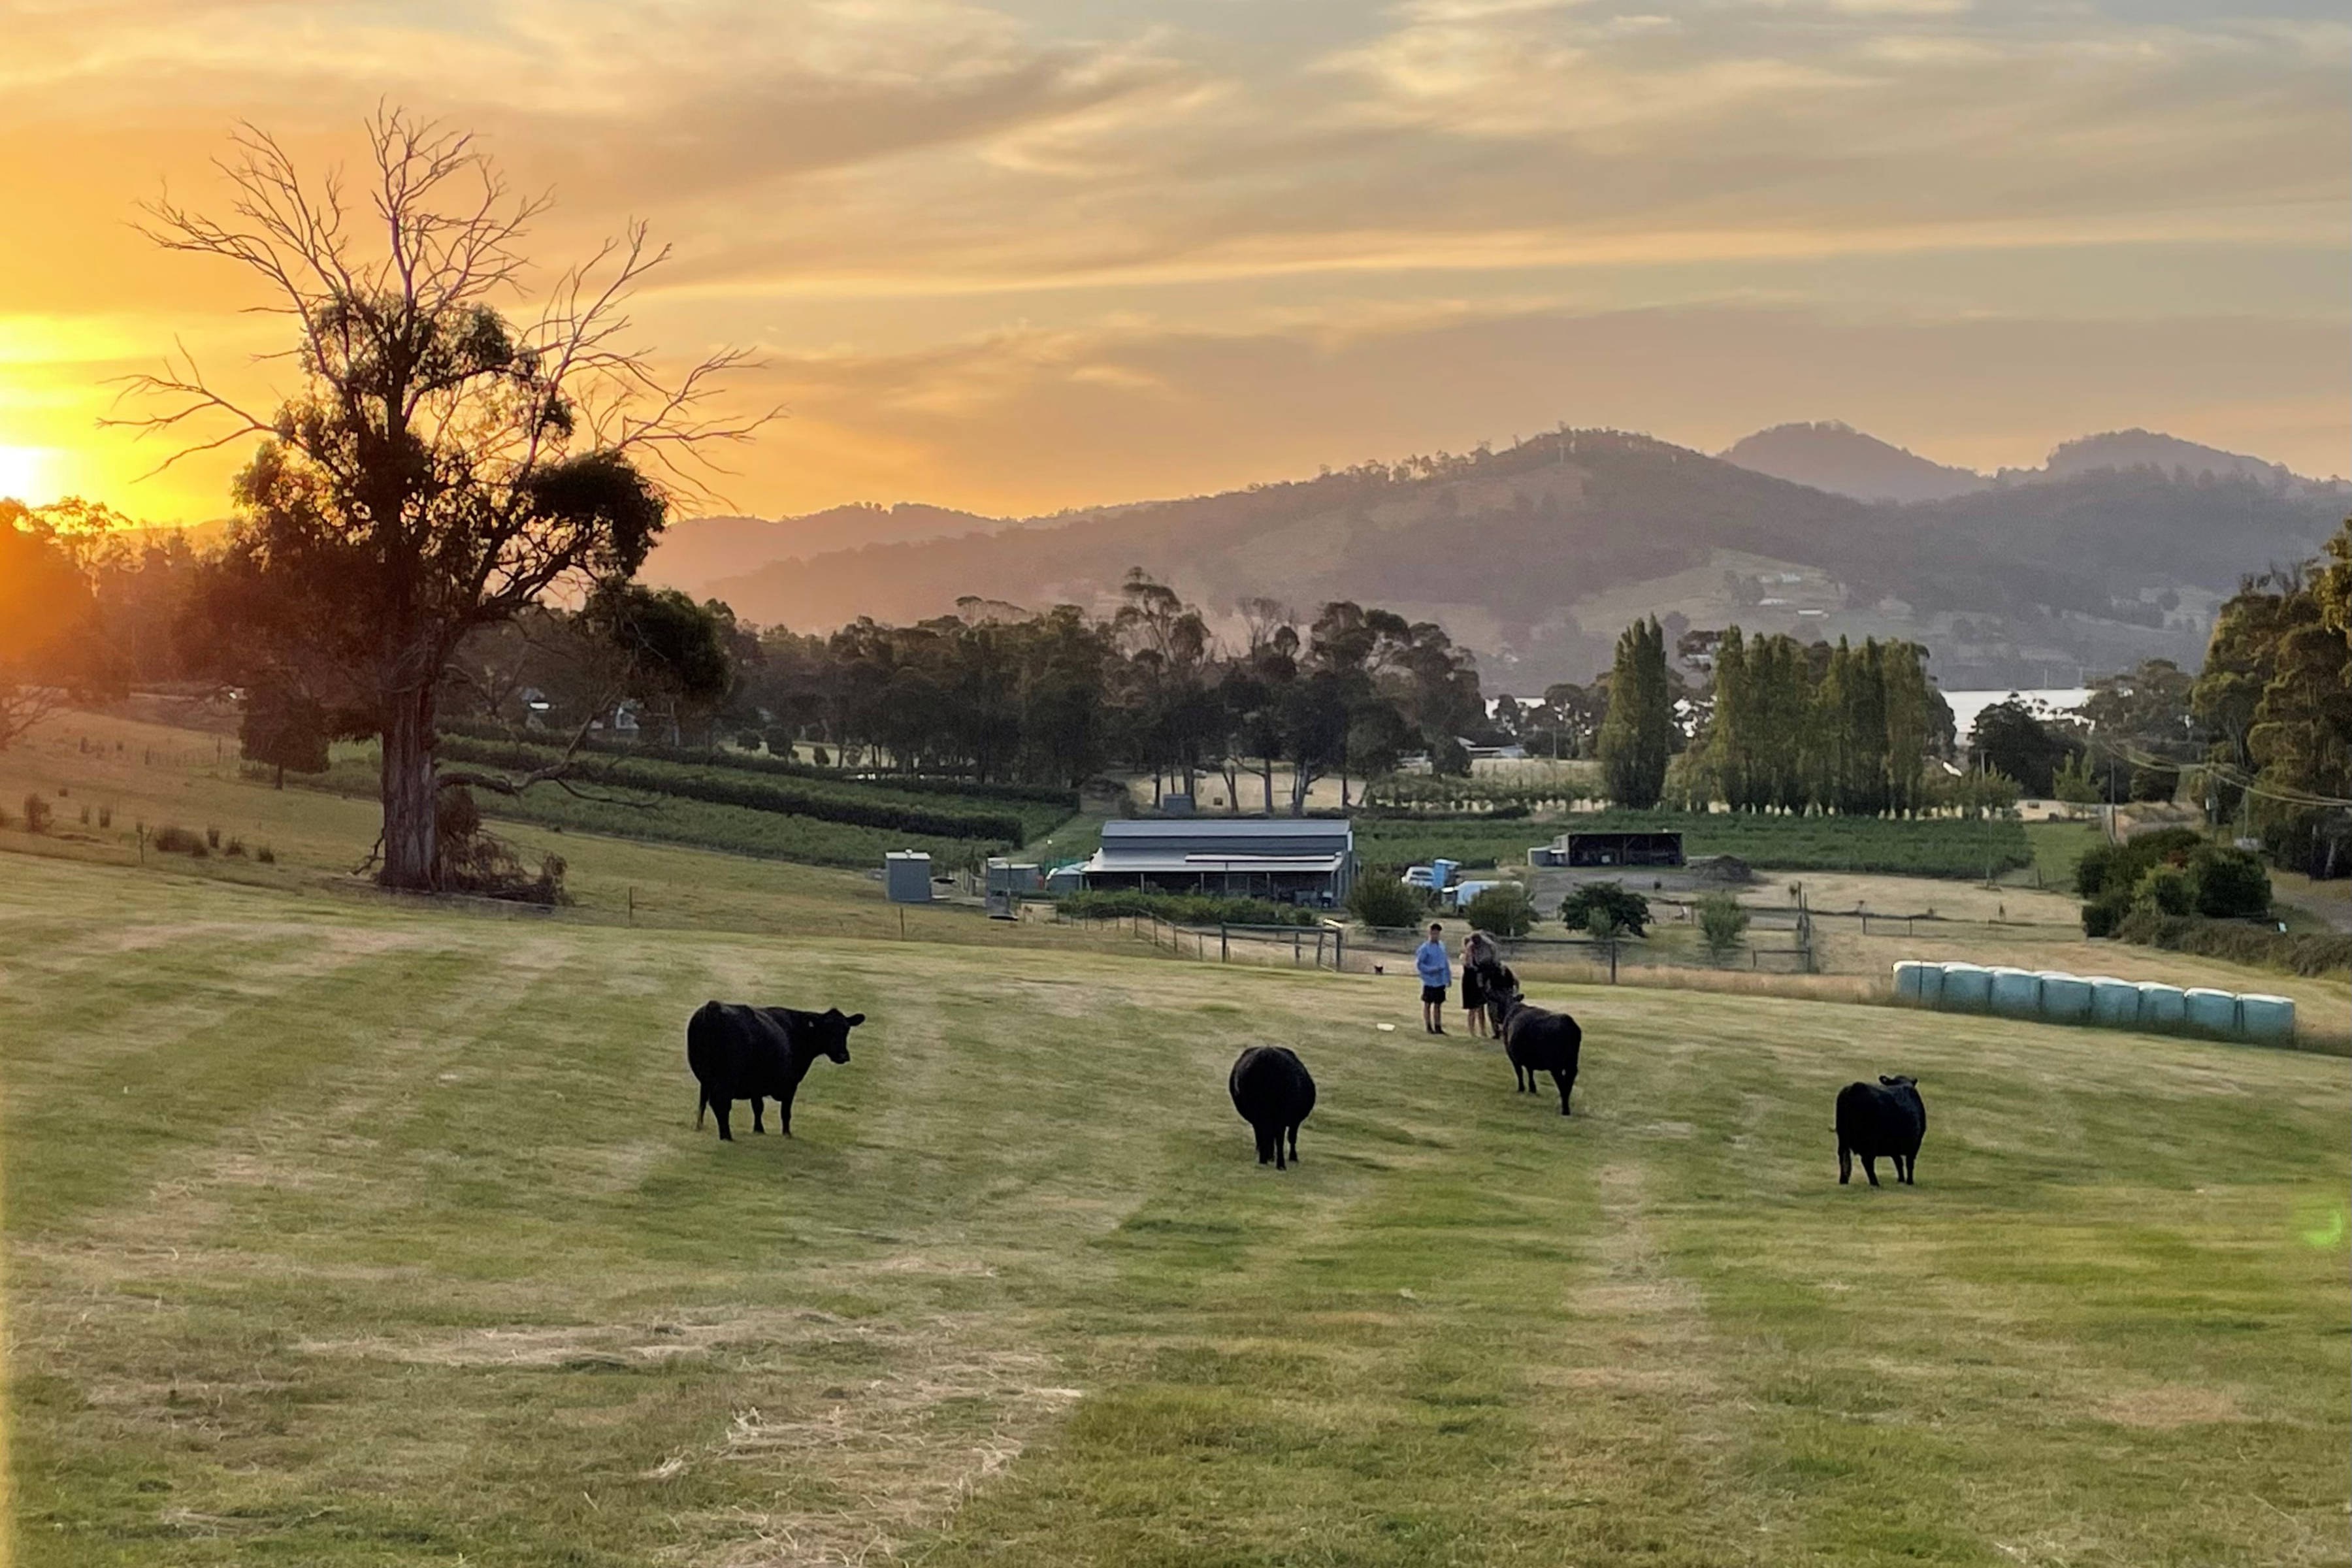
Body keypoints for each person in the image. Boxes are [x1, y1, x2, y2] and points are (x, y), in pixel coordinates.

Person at [1414, 921, 1452, 1034]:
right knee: (1427, 1004)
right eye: (1433, 933)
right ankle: (1428, 1026)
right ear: (1430, 933)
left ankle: (1438, 1026)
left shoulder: (1442, 946)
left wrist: (1448, 977)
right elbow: (1419, 965)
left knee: (1438, 1004)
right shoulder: (1425, 948)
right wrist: (1432, 969)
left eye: (1437, 933)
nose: (1435, 935)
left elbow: (1445, 963)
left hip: (1440, 981)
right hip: (1430, 981)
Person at [1460, 931, 1492, 1037]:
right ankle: (1472, 1031)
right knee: (1472, 1008)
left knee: (1481, 1007)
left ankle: (1483, 1030)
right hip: (1469, 982)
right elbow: (1468, 965)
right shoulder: (1464, 957)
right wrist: (1469, 951)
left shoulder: (1479, 956)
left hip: (1479, 982)